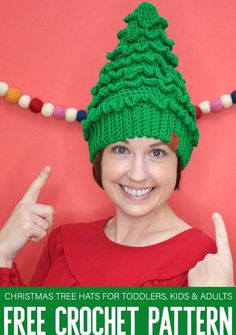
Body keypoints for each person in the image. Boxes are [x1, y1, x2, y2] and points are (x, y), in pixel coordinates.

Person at [0, 2, 234, 287]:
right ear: (100, 157)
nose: (137, 174)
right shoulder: (63, 243)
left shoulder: (205, 264)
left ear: (178, 162)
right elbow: (25, 333)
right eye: (121, 149)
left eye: (157, 152)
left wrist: (215, 311)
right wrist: (2, 258)